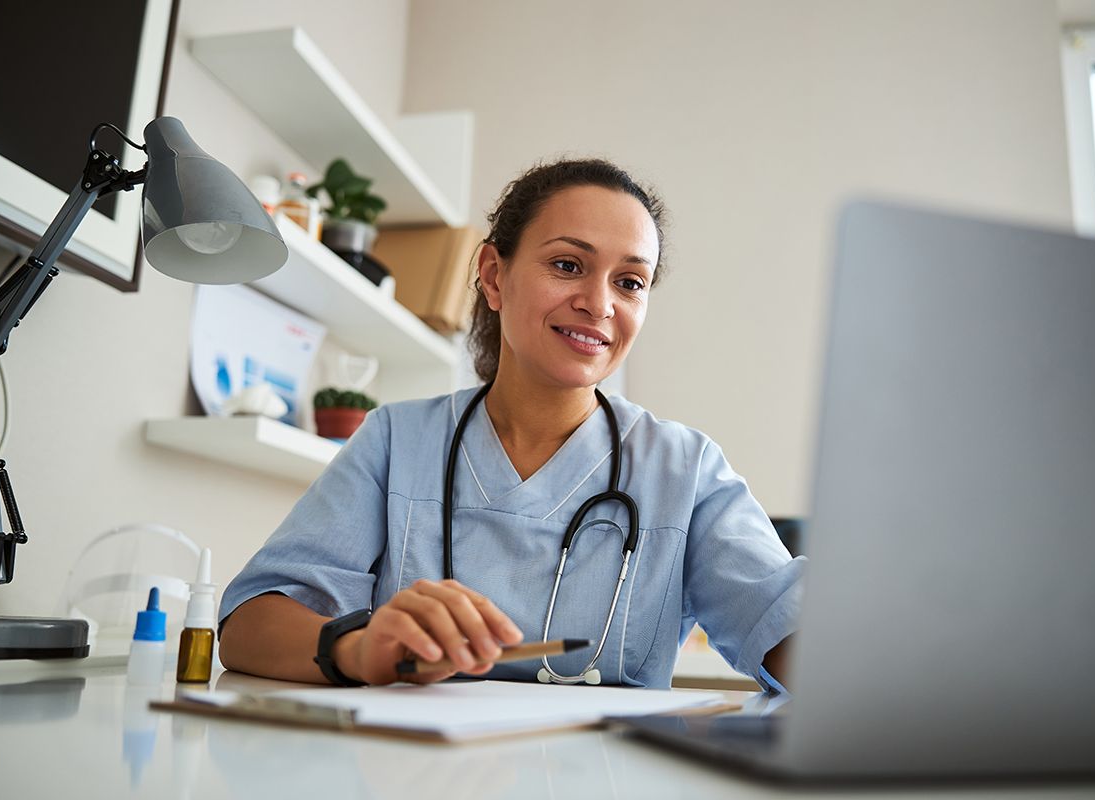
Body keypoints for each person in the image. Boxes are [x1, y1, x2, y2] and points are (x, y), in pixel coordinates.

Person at [219, 159, 804, 689]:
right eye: (568, 265)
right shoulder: (398, 441)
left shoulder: (685, 470)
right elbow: (249, 625)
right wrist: (357, 648)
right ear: (495, 277)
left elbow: (790, 634)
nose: (600, 304)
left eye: (630, 282)